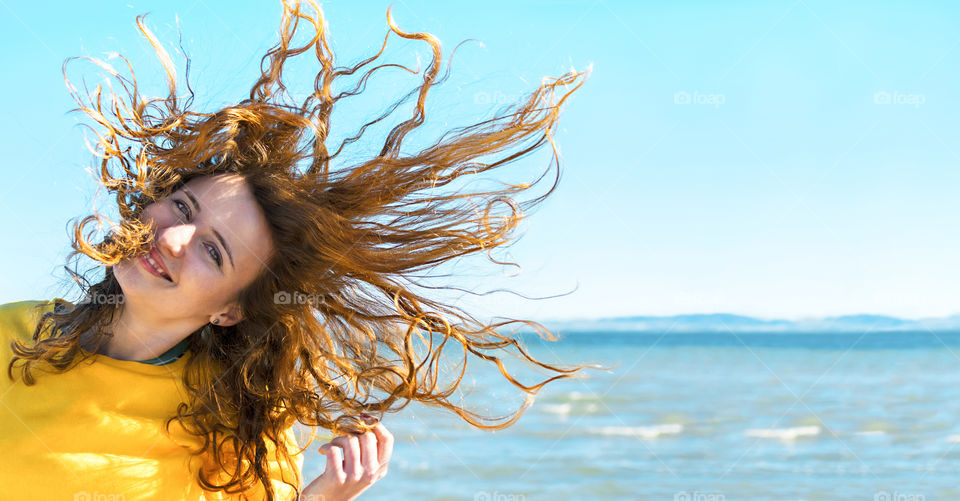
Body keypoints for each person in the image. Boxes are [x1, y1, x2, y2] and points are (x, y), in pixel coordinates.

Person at [0, 0, 590, 499]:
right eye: (182, 208)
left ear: (229, 309)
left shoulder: (232, 430)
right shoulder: (12, 333)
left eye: (214, 253)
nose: (173, 239)